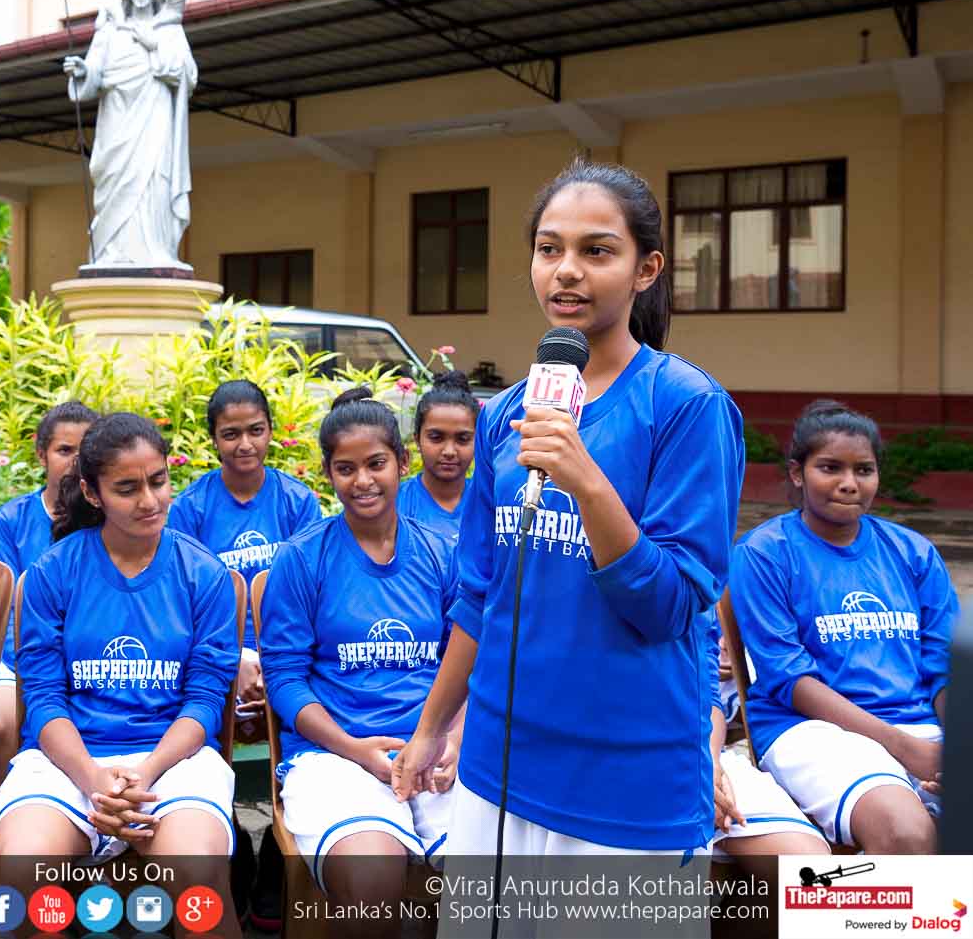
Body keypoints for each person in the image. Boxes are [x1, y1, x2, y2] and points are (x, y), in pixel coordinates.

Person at [393, 159, 744, 862]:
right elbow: (479, 595)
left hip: (627, 777)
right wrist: (433, 727)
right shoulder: (506, 415)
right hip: (498, 765)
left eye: (596, 250)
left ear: (647, 269)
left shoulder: (686, 406)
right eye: (549, 249)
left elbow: (671, 604)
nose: (566, 271)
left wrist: (588, 482)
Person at [0, 413, 240, 933]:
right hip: (66, 762)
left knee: (197, 882)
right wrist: (94, 779)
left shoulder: (204, 575)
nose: (149, 501)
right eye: (127, 488)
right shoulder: (52, 573)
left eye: (158, 481)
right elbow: (44, 699)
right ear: (93, 492)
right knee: (19, 877)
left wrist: (144, 775)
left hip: (174, 762)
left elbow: (204, 701)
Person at [259, 390, 458, 934]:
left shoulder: (445, 552)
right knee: (374, 885)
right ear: (328, 473)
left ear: (402, 463)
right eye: (346, 469)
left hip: (437, 750)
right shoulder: (302, 558)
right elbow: (284, 681)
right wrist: (357, 751)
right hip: (336, 758)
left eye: (376, 464)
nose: (363, 481)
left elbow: (467, 662)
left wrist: (453, 739)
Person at [729, 401, 958, 853]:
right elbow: (789, 679)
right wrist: (906, 749)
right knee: (906, 833)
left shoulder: (912, 552)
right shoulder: (765, 553)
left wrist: (958, 747)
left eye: (864, 470)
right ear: (798, 474)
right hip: (812, 729)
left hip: (921, 726)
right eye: (830, 468)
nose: (849, 484)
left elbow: (945, 665)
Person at [168, 379, 321, 930]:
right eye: (230, 434)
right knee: (224, 744)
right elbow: (186, 601)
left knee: (285, 738)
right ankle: (230, 874)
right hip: (216, 658)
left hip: (283, 654)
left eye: (255, 430)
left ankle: (273, 881)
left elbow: (308, 595)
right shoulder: (189, 507)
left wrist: (265, 658)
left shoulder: (298, 502)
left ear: (271, 432)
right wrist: (235, 657)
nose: (244, 444)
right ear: (213, 439)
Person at [0, 400, 97, 841]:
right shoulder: (13, 520)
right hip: (17, 657)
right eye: (64, 450)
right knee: (5, 721)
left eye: (84, 451)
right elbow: (7, 602)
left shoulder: (103, 518)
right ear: (41, 453)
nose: (74, 462)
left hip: (85, 654)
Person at [62, 0, 197, 268]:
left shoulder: (169, 29)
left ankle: (156, 252)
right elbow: (94, 70)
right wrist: (82, 71)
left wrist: (153, 47)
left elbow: (187, 74)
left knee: (153, 182)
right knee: (116, 180)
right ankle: (112, 254)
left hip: (155, 118)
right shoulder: (111, 31)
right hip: (118, 121)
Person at [703, 615, 829, 876]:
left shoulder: (698, 598)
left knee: (811, 873)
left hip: (704, 751)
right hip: (620, 760)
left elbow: (709, 700)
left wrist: (709, 764)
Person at [399, 370, 479, 545]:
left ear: (478, 441)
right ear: (417, 440)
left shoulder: (488, 501)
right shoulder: (394, 504)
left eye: (463, 439)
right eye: (436, 438)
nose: (449, 451)